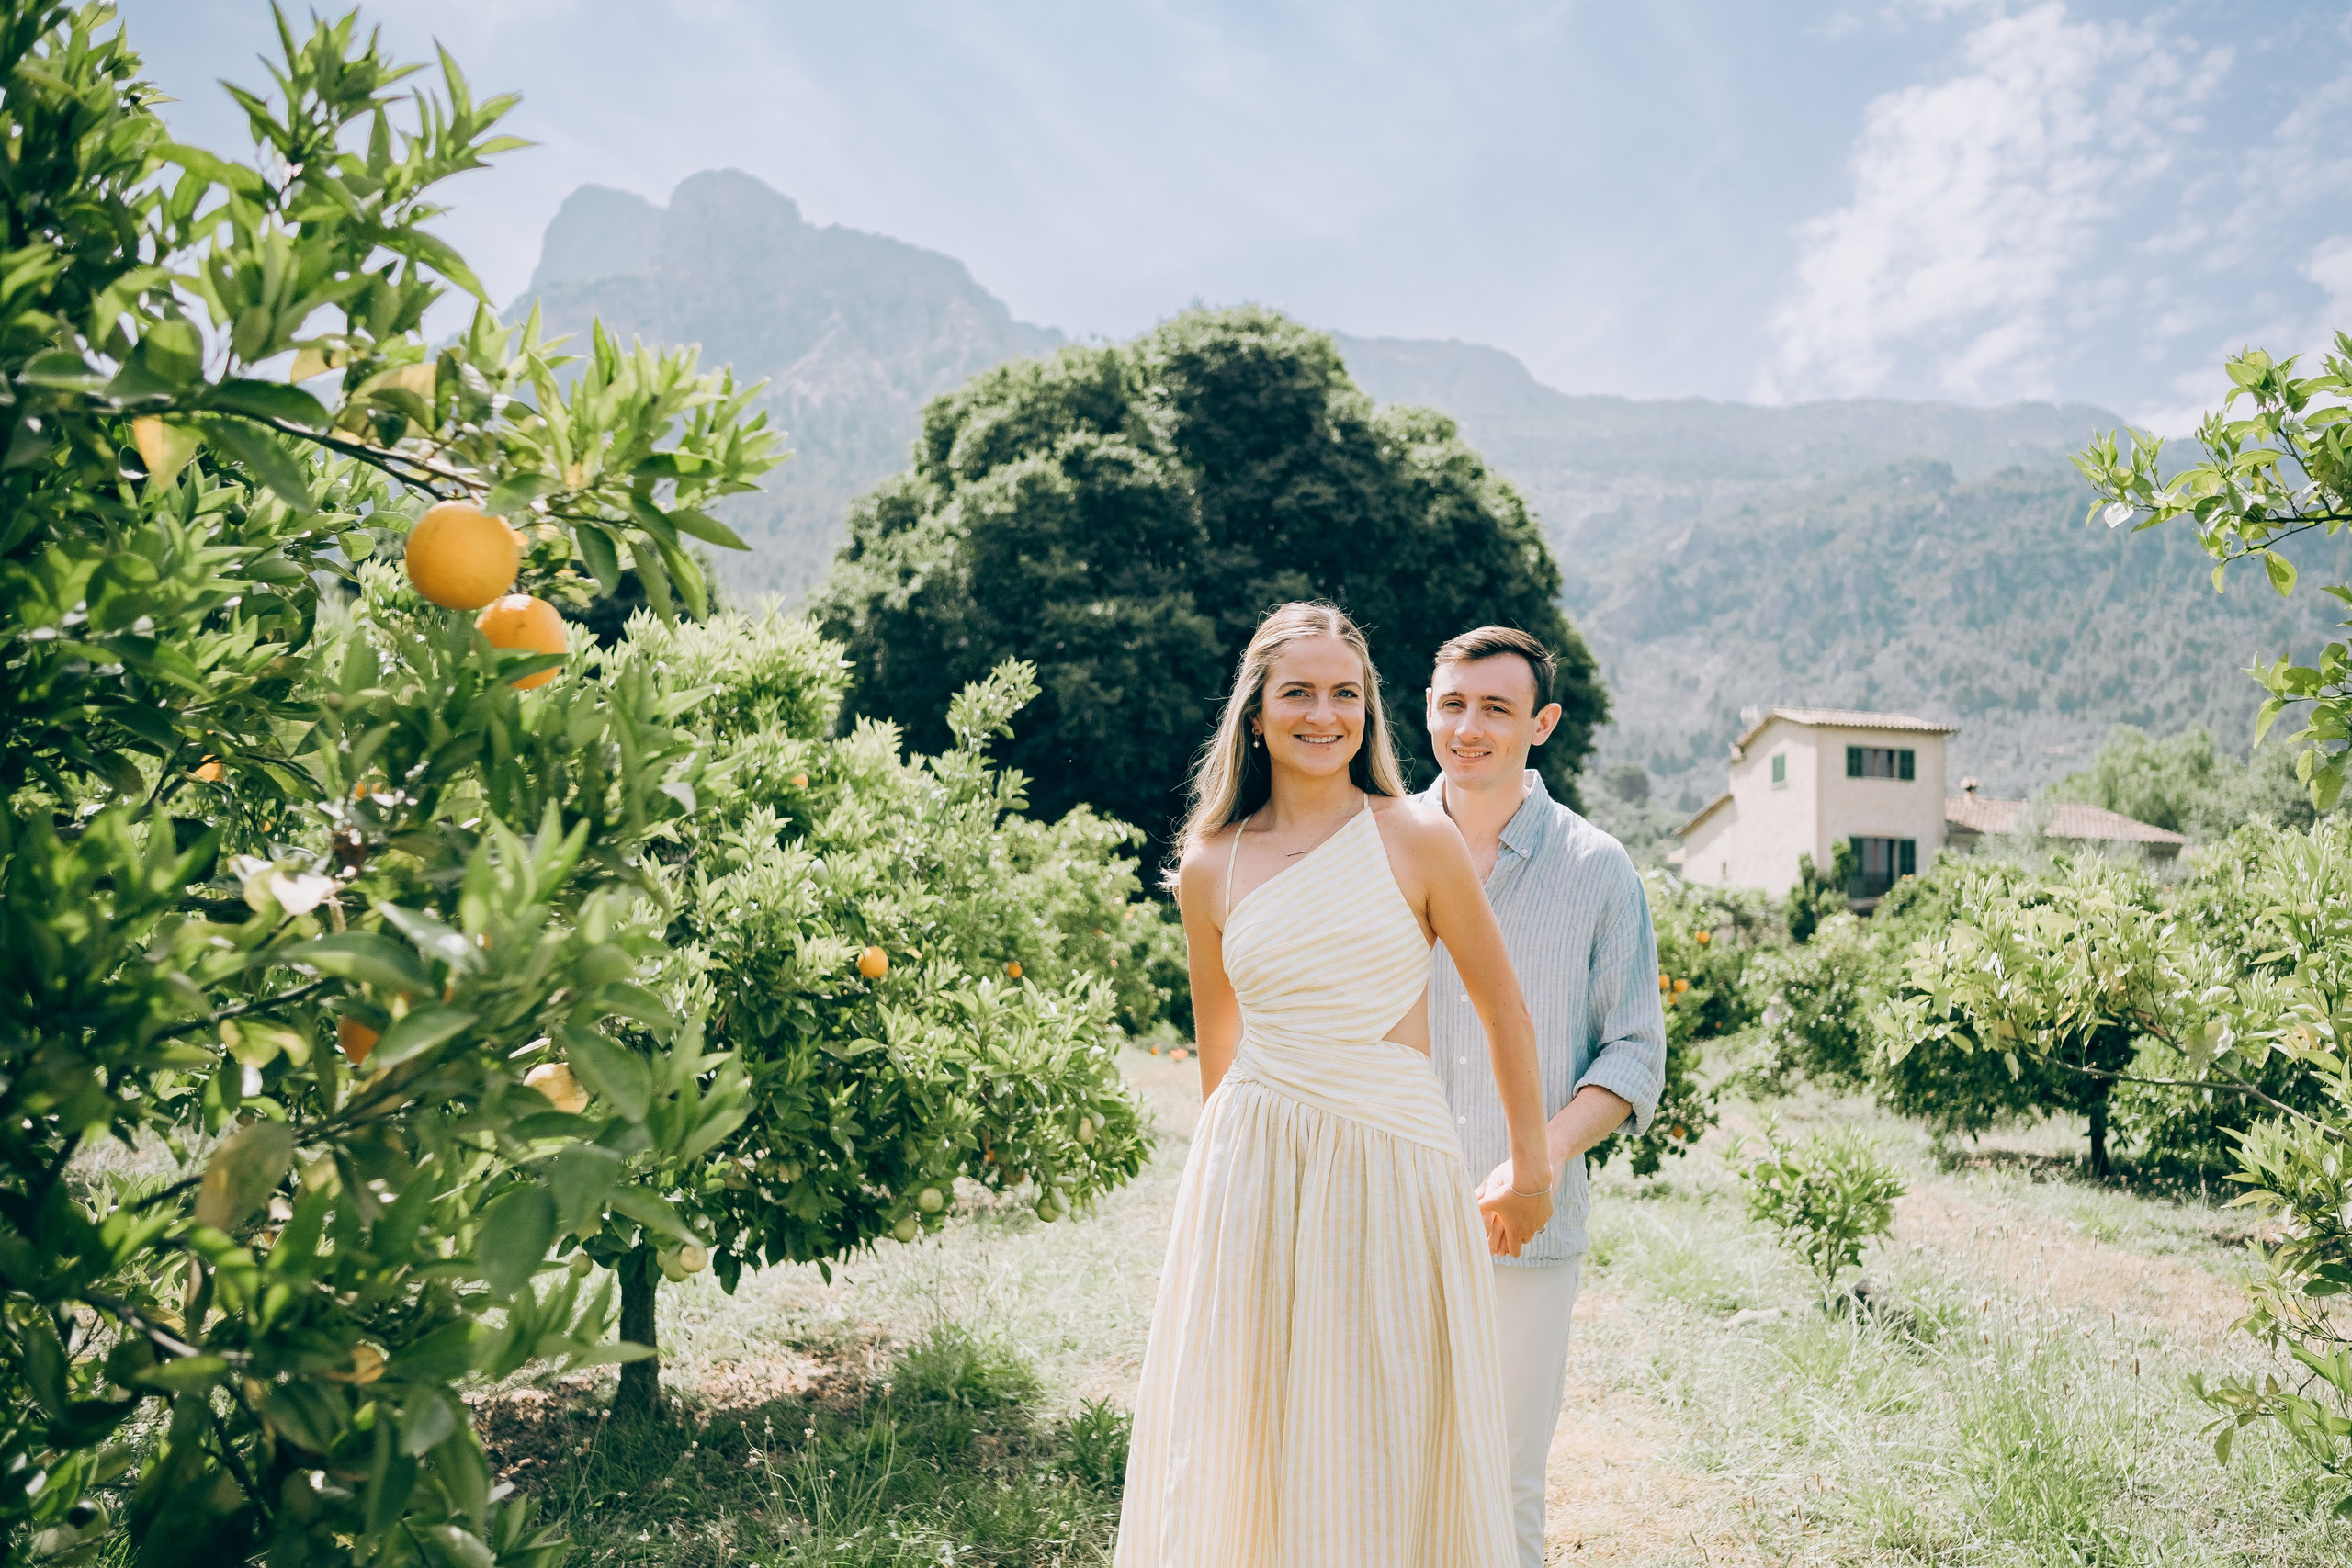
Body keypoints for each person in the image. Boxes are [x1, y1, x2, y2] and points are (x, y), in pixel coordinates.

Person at [1116, 602, 1554, 1568]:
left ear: (1369, 712)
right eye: (1299, 692)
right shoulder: (1209, 863)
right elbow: (1216, 1037)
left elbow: (1503, 1012)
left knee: (1384, 1417)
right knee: (1251, 1422)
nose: (1325, 713)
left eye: (1345, 693)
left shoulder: (1415, 837)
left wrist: (1531, 1171)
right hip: (1257, 1167)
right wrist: (1220, 1199)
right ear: (1257, 713)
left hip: (1392, 1160)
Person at [1419, 625, 1668, 1568]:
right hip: (1387, 1213)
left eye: (1495, 708)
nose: (1469, 727)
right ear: (1427, 709)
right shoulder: (1379, 846)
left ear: (1542, 723)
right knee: (1390, 1468)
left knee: (1506, 1482)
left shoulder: (1596, 867)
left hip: (1523, 1229)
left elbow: (1634, 1054)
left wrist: (1538, 1161)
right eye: (1452, 704)